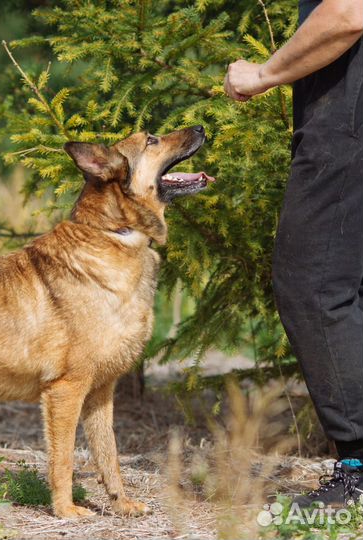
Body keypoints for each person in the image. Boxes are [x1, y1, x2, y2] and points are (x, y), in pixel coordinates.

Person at [224, 0, 363, 507]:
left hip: (350, 120)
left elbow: (349, 12)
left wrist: (263, 73)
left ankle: (359, 471)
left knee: (314, 284)